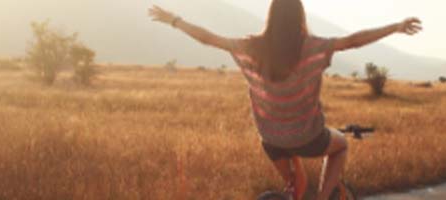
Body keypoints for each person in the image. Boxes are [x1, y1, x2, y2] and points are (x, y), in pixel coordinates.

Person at [148, 1, 421, 199]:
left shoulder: (251, 47)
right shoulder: (312, 47)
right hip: (309, 137)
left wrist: (174, 20)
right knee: (341, 146)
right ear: (300, 17)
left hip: (272, 140)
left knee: (296, 183)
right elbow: (353, 41)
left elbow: (208, 38)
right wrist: (395, 27)